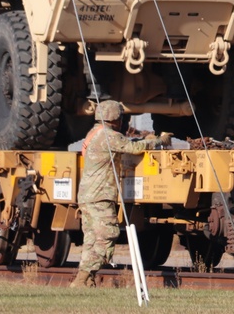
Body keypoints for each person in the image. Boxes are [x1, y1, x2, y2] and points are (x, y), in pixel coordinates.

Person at [69, 100, 171, 288]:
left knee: (92, 238)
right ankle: (83, 277)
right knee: (108, 233)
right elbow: (134, 148)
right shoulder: (109, 136)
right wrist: (159, 140)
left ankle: (86, 280)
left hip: (88, 194)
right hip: (100, 195)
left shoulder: (93, 134)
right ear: (115, 118)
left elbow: (127, 143)